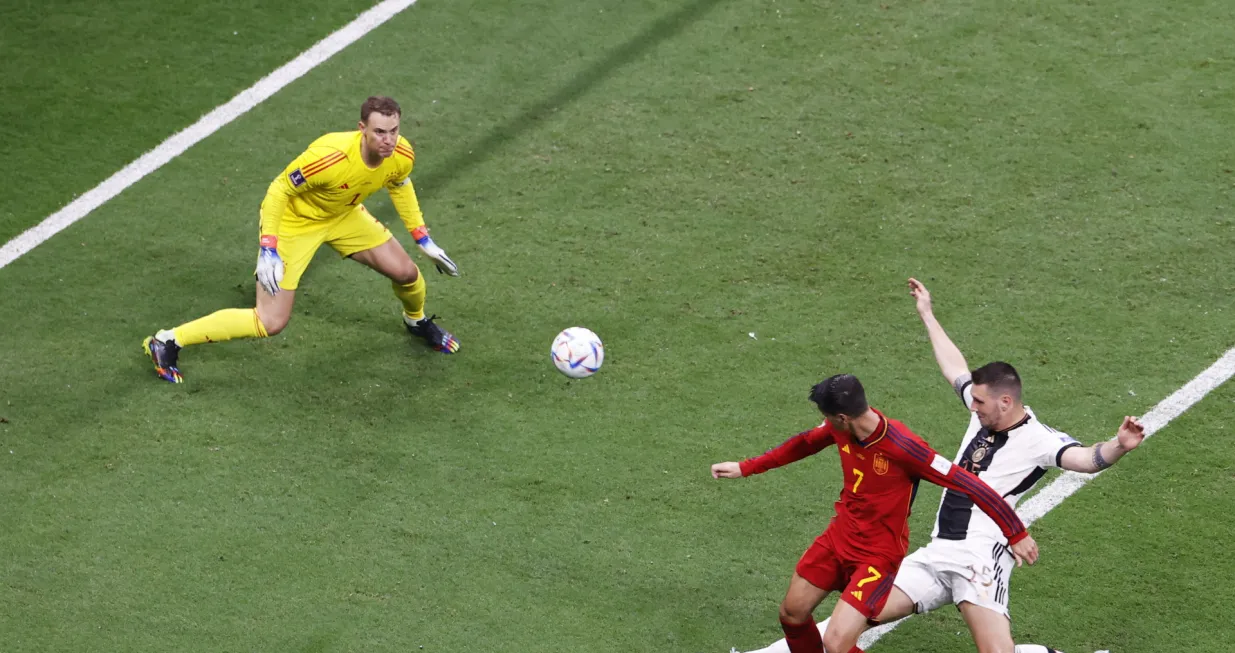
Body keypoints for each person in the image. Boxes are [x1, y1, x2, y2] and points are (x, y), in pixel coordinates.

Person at [740, 278, 1146, 653]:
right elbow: (955, 369)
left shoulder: (1040, 440)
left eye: (980, 401)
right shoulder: (981, 412)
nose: (972, 404)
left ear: (1006, 402)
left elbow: (1086, 460)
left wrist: (1119, 446)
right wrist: (928, 315)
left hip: (980, 559)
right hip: (938, 553)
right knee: (860, 612)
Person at [711, 373, 1038, 653]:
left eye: (827, 416)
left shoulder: (904, 447)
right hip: (839, 538)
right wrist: (746, 468)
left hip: (877, 555)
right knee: (792, 613)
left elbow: (968, 483)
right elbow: (805, 442)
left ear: (842, 417)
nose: (825, 422)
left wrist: (1016, 532)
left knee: (838, 644)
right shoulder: (842, 427)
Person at [142, 96, 460, 383]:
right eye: (380, 132)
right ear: (362, 128)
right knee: (270, 320)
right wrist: (269, 247)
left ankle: (415, 321)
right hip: (297, 223)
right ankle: (168, 340)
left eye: (393, 130)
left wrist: (423, 240)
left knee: (407, 273)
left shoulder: (401, 153)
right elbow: (279, 190)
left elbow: (400, 184)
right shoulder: (330, 157)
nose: (389, 140)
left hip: (344, 215)